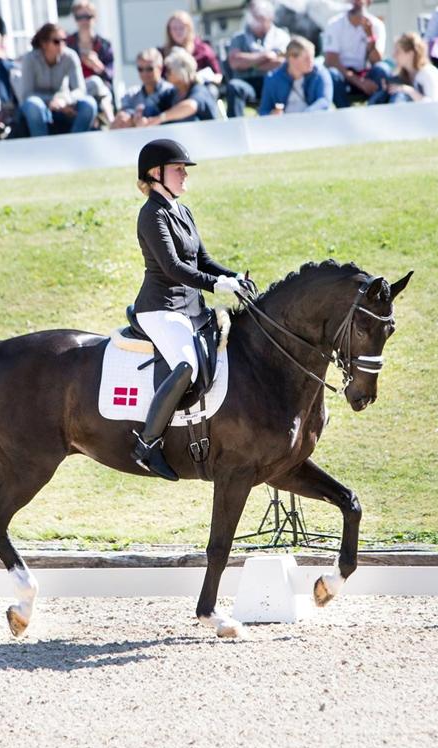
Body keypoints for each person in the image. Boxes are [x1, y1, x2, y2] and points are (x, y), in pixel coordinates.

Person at [130, 139, 253, 480]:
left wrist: (232, 277)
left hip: (190, 309)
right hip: (161, 309)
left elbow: (202, 260)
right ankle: (147, 444)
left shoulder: (181, 210)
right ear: (156, 174)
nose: (185, 175)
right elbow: (172, 268)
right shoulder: (151, 214)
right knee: (186, 366)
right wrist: (216, 286)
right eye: (178, 169)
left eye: (184, 170)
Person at [16, 22, 96, 136]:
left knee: (89, 104)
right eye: (56, 41)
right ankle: (43, 147)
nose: (61, 45)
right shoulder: (30, 59)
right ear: (44, 43)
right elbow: (27, 94)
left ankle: (75, 144)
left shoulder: (70, 56)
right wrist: (51, 102)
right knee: (33, 104)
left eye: (64, 40)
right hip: (41, 108)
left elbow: (80, 90)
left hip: (65, 105)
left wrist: (64, 101)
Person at [224, 0, 290, 118]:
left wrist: (249, 62)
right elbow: (235, 62)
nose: (255, 20)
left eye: (260, 16)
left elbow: (281, 63)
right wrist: (265, 57)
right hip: (247, 83)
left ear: (270, 17)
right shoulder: (238, 38)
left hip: (274, 83)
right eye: (253, 16)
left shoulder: (281, 37)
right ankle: (235, 129)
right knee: (234, 86)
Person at [323, 0, 390, 108]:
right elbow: (331, 61)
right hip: (343, 75)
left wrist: (370, 37)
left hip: (366, 74)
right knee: (332, 74)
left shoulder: (376, 25)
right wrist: (360, 82)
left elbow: (376, 61)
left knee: (382, 69)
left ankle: (375, 111)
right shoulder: (334, 24)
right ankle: (345, 114)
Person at [137, 48, 218, 126]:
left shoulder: (200, 90)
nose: (165, 74)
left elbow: (190, 106)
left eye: (169, 71)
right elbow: (153, 103)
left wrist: (161, 118)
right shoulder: (172, 93)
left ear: (181, 72)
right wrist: (141, 114)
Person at [65, 0, 114, 124]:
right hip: (75, 90)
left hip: (100, 91)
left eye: (88, 16)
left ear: (95, 18)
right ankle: (110, 121)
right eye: (79, 17)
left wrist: (98, 65)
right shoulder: (67, 44)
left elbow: (110, 75)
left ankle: (111, 123)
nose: (84, 21)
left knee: (98, 85)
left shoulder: (104, 45)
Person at [257, 35, 332, 115]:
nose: (311, 62)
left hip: (312, 121)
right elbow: (263, 110)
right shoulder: (272, 78)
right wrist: (272, 114)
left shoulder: (320, 73)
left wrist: (303, 116)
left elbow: (324, 101)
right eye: (306, 58)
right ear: (292, 58)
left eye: (312, 57)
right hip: (284, 125)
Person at [367, 32, 438, 104]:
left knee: (400, 96)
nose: (394, 55)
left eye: (398, 52)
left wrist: (409, 91)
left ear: (410, 54)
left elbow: (436, 104)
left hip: (433, 117)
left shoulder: (429, 73)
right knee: (381, 95)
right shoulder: (405, 74)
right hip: (414, 116)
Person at [111, 47, 171, 130]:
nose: (144, 73)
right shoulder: (131, 94)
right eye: (140, 69)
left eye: (149, 69)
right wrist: (132, 119)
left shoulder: (170, 91)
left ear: (160, 68)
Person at [161, 10, 221, 82]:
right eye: (174, 28)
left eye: (181, 28)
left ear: (189, 28)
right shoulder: (163, 53)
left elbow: (218, 74)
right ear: (169, 31)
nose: (178, 32)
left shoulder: (203, 49)